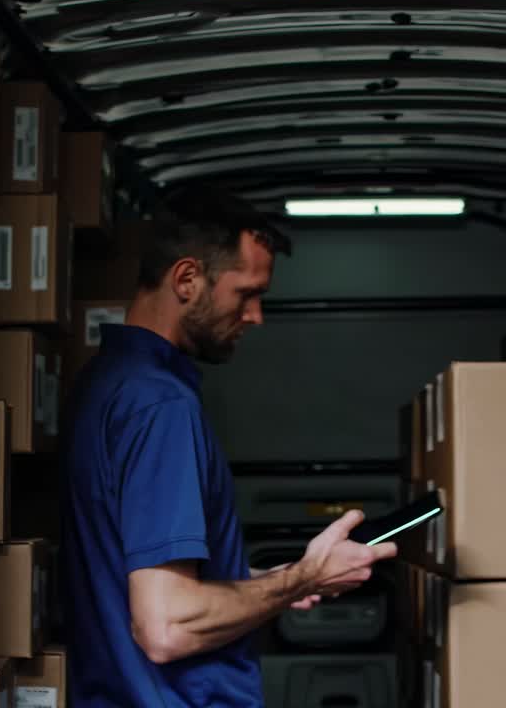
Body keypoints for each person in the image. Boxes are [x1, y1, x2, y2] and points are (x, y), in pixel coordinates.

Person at [61, 186, 397, 708]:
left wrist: (280, 580)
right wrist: (301, 579)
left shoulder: (107, 383)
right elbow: (166, 625)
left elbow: (142, 576)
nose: (256, 316)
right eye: (246, 294)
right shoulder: (159, 407)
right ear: (188, 280)